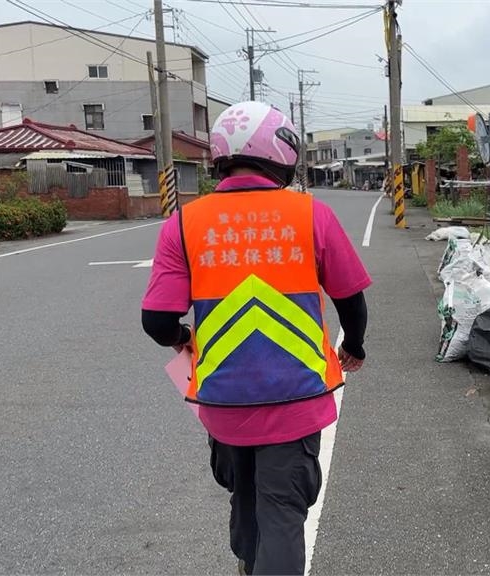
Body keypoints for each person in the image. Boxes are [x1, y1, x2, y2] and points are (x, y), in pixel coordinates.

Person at [141, 101, 370, 575]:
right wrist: (354, 346)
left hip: (224, 400)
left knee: (245, 496)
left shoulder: (183, 224)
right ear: (280, 153)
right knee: (283, 511)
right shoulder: (312, 215)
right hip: (297, 394)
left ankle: (249, 564)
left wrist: (185, 336)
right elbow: (351, 301)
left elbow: (157, 322)